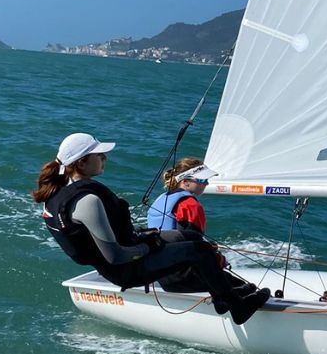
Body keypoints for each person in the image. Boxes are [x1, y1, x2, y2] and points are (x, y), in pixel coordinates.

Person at [34, 133, 270, 325]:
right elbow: (115, 256)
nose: (105, 158)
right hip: (127, 268)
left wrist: (147, 236)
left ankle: (226, 295)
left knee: (190, 237)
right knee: (200, 251)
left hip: (129, 254)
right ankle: (236, 306)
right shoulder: (87, 201)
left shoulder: (59, 193)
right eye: (99, 155)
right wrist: (148, 246)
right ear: (81, 162)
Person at [146, 156, 210, 234]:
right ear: (185, 182)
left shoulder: (161, 198)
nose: (207, 183)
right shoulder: (190, 204)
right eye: (202, 180)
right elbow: (197, 235)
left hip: (154, 240)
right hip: (178, 241)